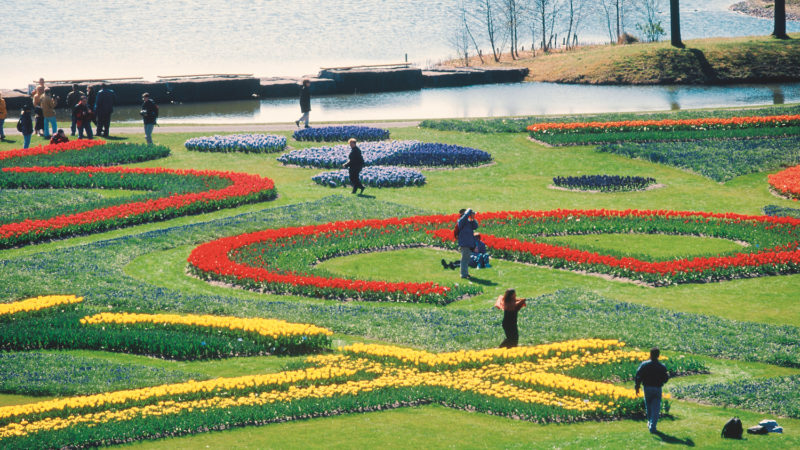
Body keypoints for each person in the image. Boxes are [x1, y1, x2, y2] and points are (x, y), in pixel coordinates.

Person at [635, 347, 670, 434]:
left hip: (647, 387)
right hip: (657, 388)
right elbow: (665, 379)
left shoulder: (644, 365)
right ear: (658, 355)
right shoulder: (662, 366)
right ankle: (652, 425)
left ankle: (650, 421)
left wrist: (637, 386)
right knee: (656, 407)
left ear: (650, 354)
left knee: (649, 406)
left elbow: (638, 376)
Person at [456, 208, 479, 279]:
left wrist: (472, 218)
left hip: (469, 243)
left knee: (466, 259)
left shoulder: (469, 222)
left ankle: (465, 273)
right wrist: (468, 212)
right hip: (464, 243)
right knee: (464, 259)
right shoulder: (461, 221)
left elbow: (475, 226)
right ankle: (463, 274)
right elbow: (462, 220)